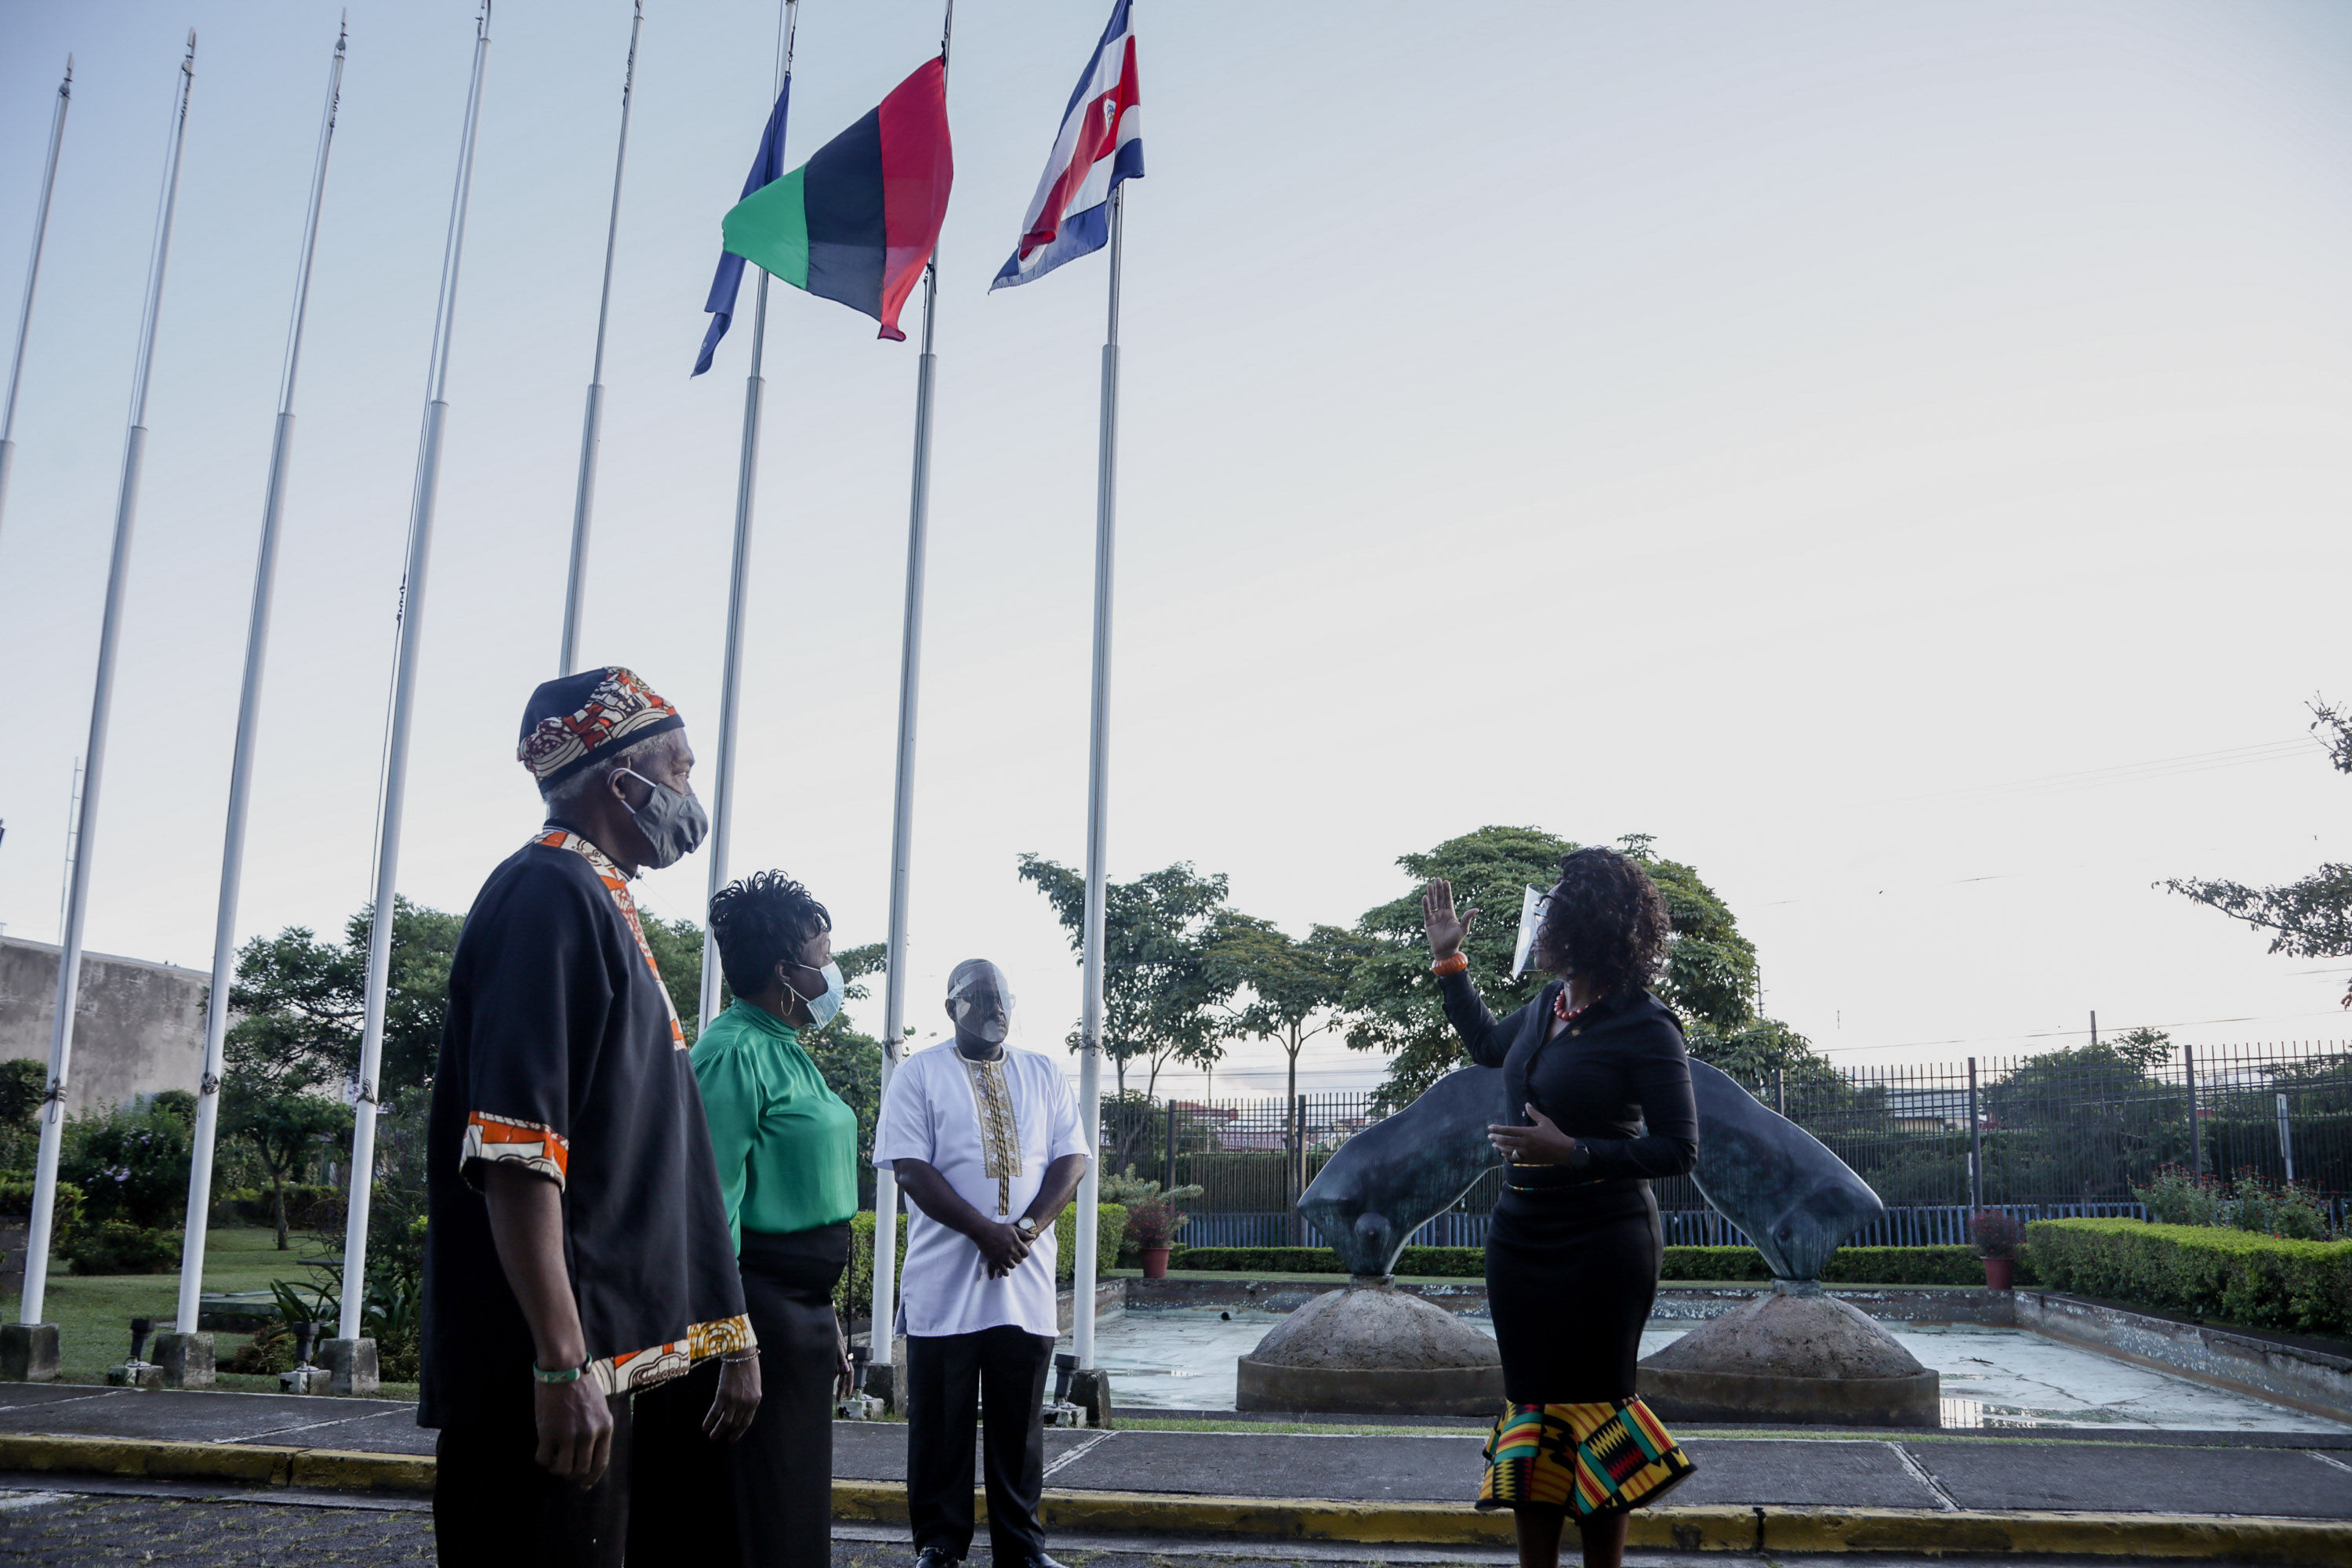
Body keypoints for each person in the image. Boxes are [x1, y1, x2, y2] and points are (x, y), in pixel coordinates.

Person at [420, 667, 758, 1568]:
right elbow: (516, 1151)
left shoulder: (596, 896)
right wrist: (562, 1364)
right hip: (541, 1376)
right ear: (623, 781)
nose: (691, 795)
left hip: (585, 1370)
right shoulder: (548, 894)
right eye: (679, 771)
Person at [1421, 846, 1700, 1568]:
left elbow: (1678, 1150)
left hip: (1603, 1241)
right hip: (1521, 1236)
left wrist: (1573, 1150)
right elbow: (1488, 1045)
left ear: (1588, 922)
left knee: (1598, 1416)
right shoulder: (1548, 1004)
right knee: (1533, 1417)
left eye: (1551, 911)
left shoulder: (1646, 1025)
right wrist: (1452, 965)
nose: (1538, 923)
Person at [632, 870, 860, 1567]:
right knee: (740, 1528)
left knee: (786, 1520)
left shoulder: (785, 1047)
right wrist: (736, 1346)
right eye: (823, 958)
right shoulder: (731, 1053)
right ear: (784, 973)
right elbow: (705, 1213)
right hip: (746, 1321)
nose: (834, 973)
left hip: (795, 1322)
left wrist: (828, 1329)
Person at [873, 960, 1090, 1568]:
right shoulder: (919, 1074)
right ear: (952, 1008)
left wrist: (1023, 1230)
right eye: (979, 996)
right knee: (939, 1425)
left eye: (1002, 996)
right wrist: (985, 1233)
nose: (995, 1006)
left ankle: (1021, 1548)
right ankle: (939, 1545)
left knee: (1018, 1426)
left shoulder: (1043, 1072)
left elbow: (1071, 1158)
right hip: (945, 1284)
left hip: (1024, 1280)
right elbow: (911, 1168)